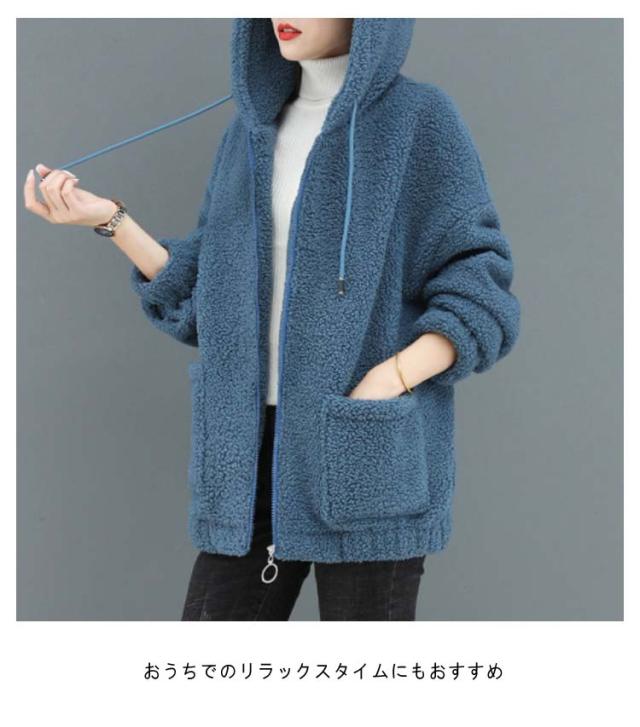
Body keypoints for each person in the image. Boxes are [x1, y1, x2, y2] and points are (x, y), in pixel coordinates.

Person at [23, 18, 520, 620]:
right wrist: (110, 222)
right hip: (247, 457)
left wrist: (387, 380)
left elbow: (481, 289)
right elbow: (212, 307)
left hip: (359, 446)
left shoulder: (418, 119)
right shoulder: (249, 134)